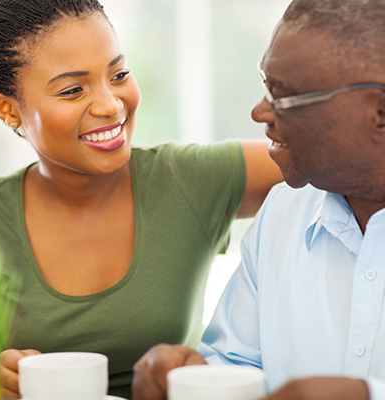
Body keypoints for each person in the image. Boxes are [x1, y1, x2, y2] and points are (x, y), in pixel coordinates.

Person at [0, 0, 282, 398]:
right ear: (8, 109)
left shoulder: (190, 180)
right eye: (73, 90)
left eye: (119, 74)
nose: (110, 104)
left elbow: (328, 152)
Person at [131, 0, 385, 399]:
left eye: (282, 95)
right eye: (265, 85)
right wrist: (196, 379)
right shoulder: (283, 212)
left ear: (380, 113)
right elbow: (237, 362)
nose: (259, 112)